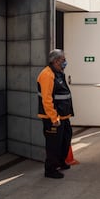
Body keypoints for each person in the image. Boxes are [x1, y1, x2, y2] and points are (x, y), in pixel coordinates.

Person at [37, 49, 74, 179]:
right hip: (52, 118)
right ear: (55, 61)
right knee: (53, 144)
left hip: (63, 116)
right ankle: (50, 169)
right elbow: (46, 99)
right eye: (63, 60)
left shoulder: (59, 73)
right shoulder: (47, 74)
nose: (65, 62)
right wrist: (54, 117)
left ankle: (60, 162)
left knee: (65, 139)